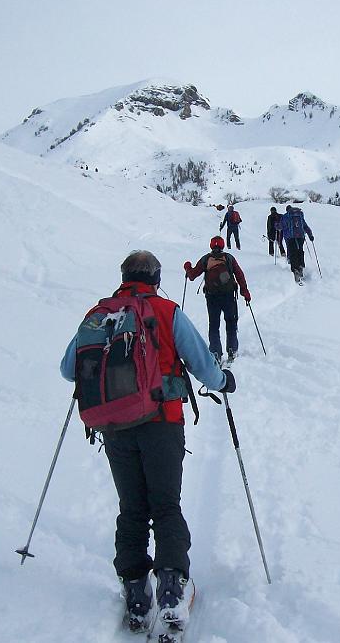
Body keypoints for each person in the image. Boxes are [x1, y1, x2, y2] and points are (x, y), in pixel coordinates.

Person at [59, 250, 236, 634]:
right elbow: (203, 365)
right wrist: (224, 382)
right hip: (161, 421)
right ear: (155, 277)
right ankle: (172, 591)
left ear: (123, 275)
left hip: (115, 427)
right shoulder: (166, 311)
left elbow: (66, 368)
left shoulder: (99, 314)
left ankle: (137, 594)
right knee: (165, 504)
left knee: (132, 507)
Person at [184, 236, 251, 363]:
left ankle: (215, 352)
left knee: (214, 324)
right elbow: (239, 274)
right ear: (223, 245)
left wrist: (187, 267)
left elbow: (192, 275)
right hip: (228, 295)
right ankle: (232, 350)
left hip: (212, 296)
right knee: (231, 322)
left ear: (211, 245)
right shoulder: (229, 258)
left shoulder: (206, 259)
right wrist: (245, 291)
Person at [280, 204, 314, 284]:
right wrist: (310, 235)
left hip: (291, 238)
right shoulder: (299, 215)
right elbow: (305, 226)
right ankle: (301, 266)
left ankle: (295, 270)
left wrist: (277, 226)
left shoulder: (286, 216)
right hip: (301, 237)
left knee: (293, 253)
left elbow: (281, 226)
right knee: (300, 251)